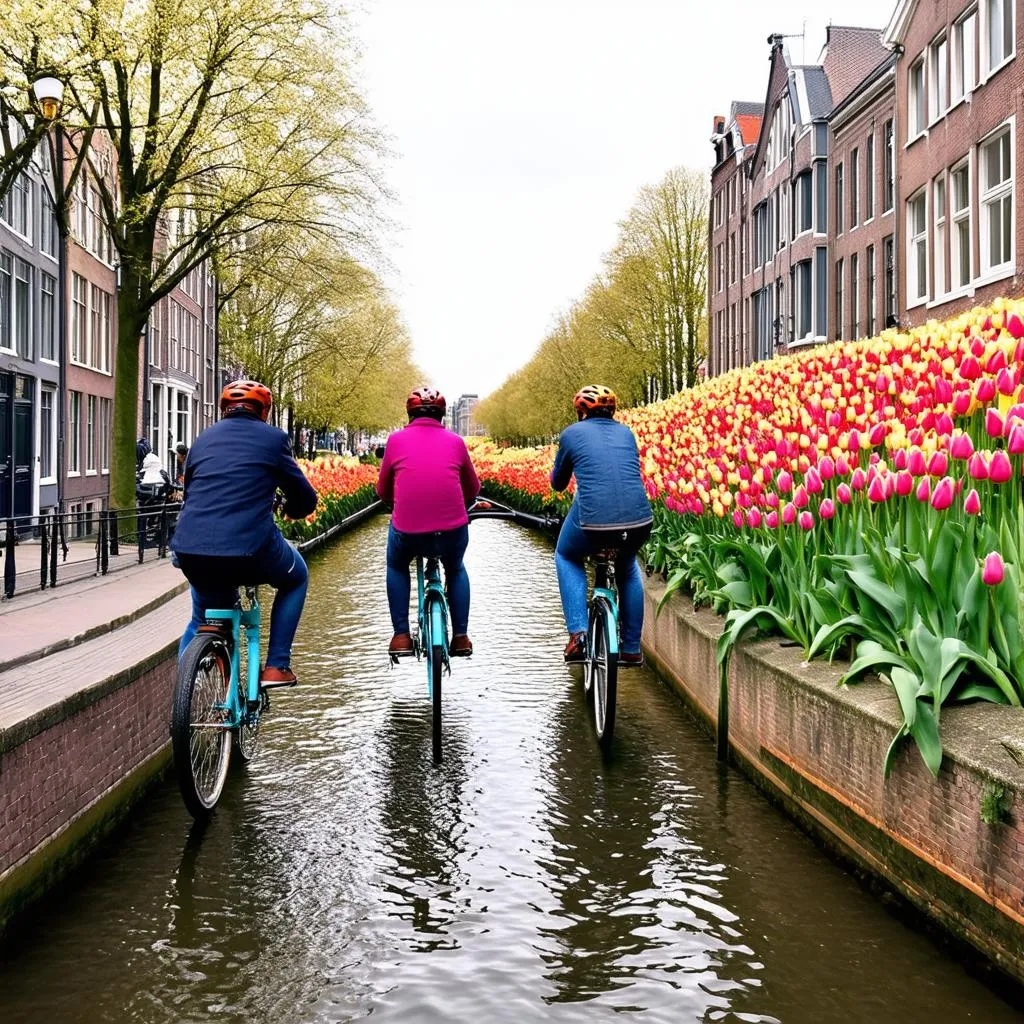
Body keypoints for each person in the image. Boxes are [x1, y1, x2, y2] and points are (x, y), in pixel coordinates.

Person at [171, 379, 318, 688]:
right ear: (264, 411)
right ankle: (277, 665)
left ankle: (184, 691)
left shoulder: (202, 440)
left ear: (225, 410)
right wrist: (295, 509)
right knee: (296, 577)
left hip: (190, 549)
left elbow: (190, 493)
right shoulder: (274, 439)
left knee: (203, 618)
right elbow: (304, 496)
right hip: (250, 549)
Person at [550, 384, 653, 667]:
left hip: (592, 523)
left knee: (566, 555)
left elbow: (558, 484)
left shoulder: (571, 434)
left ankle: (578, 636)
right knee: (628, 567)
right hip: (640, 521)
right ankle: (631, 648)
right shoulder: (626, 433)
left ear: (581, 412)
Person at [377, 386, 480, 657]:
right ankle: (461, 637)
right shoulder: (456, 442)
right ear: (443, 416)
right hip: (452, 530)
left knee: (397, 565)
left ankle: (401, 636)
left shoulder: (396, 440)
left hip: (408, 531)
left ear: (409, 414)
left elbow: (383, 492)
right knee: (455, 568)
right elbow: (473, 489)